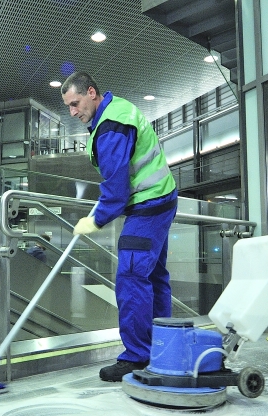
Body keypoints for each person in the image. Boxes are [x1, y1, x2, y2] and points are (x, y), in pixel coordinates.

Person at [60, 71, 178, 382]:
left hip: (148, 205)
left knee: (131, 275)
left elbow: (117, 186)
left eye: (75, 103)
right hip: (158, 199)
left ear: (91, 92)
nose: (73, 112)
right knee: (153, 275)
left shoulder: (111, 127)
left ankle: (137, 356)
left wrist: (97, 219)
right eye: (69, 107)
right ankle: (160, 345)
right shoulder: (112, 112)